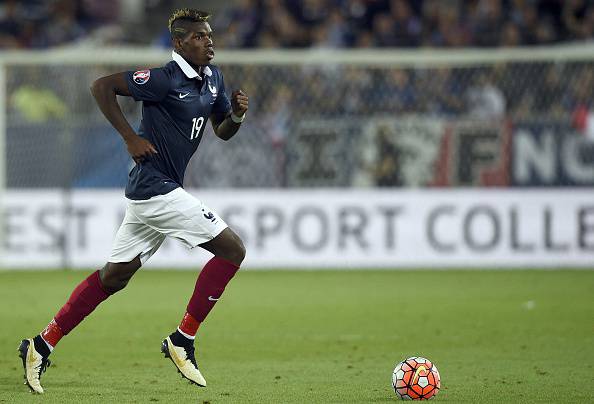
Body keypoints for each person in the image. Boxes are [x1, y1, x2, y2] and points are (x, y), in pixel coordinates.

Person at [18, 8, 249, 394]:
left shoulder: (213, 80)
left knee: (114, 276)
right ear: (179, 43)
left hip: (154, 192)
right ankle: (183, 339)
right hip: (155, 188)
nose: (209, 41)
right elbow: (101, 86)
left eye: (209, 35)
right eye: (198, 37)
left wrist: (237, 115)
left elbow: (222, 131)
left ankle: (40, 345)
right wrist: (129, 136)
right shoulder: (162, 79)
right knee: (232, 251)